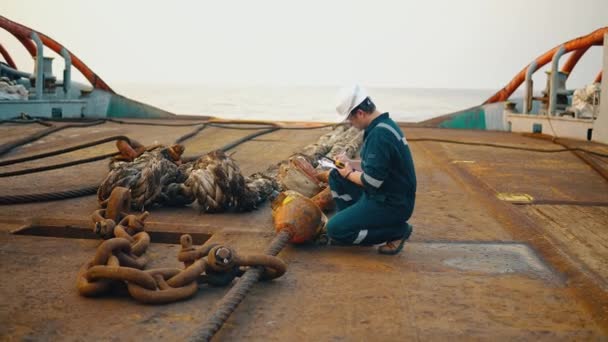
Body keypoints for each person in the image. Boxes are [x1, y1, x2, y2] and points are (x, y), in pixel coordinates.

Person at [325, 85, 417, 255]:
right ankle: (356, 225)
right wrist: (350, 163)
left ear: (360, 113)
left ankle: (398, 231)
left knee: (335, 230)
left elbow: (372, 181)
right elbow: (376, 167)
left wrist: (349, 173)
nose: (350, 124)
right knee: (336, 176)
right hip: (387, 195)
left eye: (350, 119)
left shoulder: (380, 135)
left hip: (391, 204)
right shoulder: (382, 126)